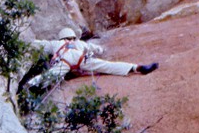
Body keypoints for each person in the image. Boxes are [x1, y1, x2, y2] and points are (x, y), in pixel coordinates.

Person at [27, 27, 158, 88]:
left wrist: (27, 41)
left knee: (51, 74)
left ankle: (30, 85)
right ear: (73, 37)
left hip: (65, 61)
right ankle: (136, 67)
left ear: (61, 37)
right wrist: (100, 49)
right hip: (81, 59)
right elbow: (95, 48)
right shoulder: (79, 43)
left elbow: (39, 44)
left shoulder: (56, 43)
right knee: (106, 65)